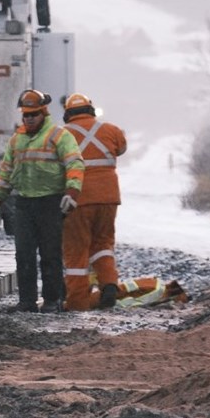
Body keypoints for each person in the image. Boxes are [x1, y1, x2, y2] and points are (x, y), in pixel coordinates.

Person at [0, 89, 85, 312]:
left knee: (50, 254)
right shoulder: (16, 141)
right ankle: (27, 301)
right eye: (25, 115)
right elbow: (5, 174)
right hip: (24, 203)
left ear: (43, 113)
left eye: (33, 114)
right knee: (24, 254)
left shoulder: (59, 136)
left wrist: (72, 192)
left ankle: (52, 300)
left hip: (51, 202)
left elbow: (75, 164)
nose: (29, 119)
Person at [60, 93, 128, 311]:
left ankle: (77, 302)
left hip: (78, 198)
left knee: (77, 249)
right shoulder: (111, 130)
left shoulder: (64, 135)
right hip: (108, 197)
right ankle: (109, 284)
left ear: (67, 113)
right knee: (103, 244)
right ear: (90, 109)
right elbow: (122, 148)